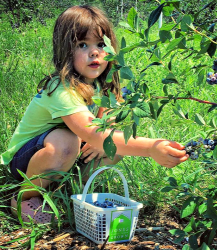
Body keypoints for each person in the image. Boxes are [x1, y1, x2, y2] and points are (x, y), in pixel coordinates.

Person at [0, 5, 189, 224]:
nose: (94, 52)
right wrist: (150, 147)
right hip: (25, 161)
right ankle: (24, 197)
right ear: (65, 50)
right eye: (82, 45)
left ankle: (73, 195)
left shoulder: (104, 84)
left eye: (101, 44)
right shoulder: (61, 89)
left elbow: (104, 126)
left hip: (65, 155)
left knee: (112, 149)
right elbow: (93, 133)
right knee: (68, 140)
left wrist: (102, 137)